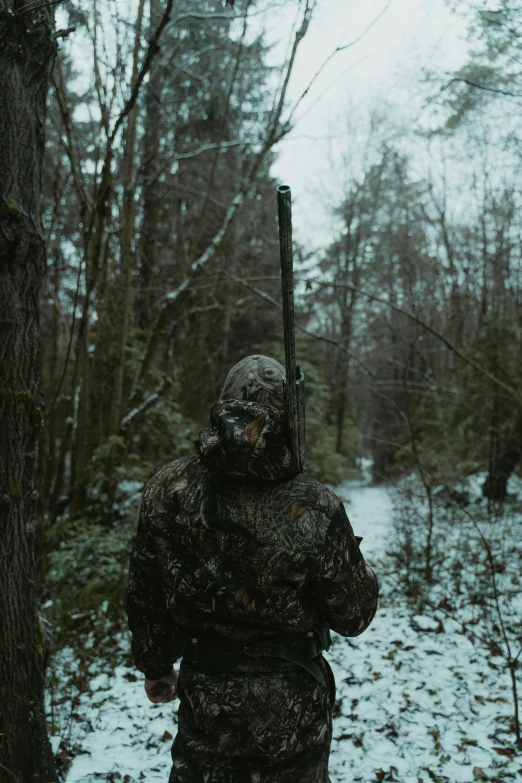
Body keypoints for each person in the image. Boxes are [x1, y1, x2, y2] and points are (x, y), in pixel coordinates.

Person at [126, 354, 379, 783]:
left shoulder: (168, 488)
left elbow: (145, 591)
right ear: (287, 413)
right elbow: (354, 617)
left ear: (224, 405)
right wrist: (353, 567)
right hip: (294, 701)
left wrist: (155, 664)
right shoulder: (314, 503)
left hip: (207, 696)